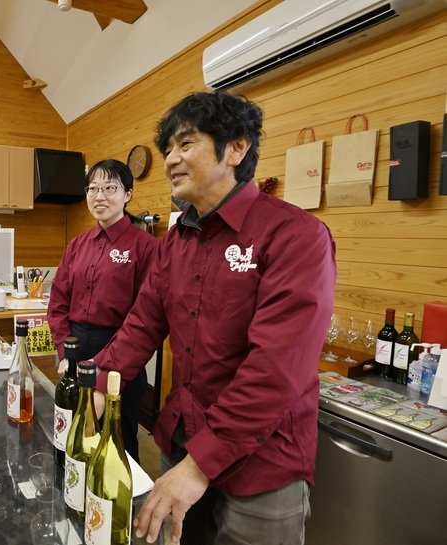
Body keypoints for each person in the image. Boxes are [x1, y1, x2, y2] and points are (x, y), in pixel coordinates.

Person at [91, 90, 336, 544]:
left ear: (237, 147)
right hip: (181, 438)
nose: (170, 160)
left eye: (186, 144)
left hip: (262, 464)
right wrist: (100, 384)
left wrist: (200, 464)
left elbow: (276, 369)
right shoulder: (176, 241)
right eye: (167, 150)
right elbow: (143, 323)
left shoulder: (296, 235)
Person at [47, 159, 158, 461]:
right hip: (76, 349)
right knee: (72, 431)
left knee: (117, 436)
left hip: (121, 349)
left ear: (128, 194)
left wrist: (111, 362)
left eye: (110, 188)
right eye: (93, 189)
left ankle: (120, 502)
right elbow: (57, 303)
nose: (100, 196)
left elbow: (146, 315)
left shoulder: (145, 246)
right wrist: (63, 351)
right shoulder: (77, 244)